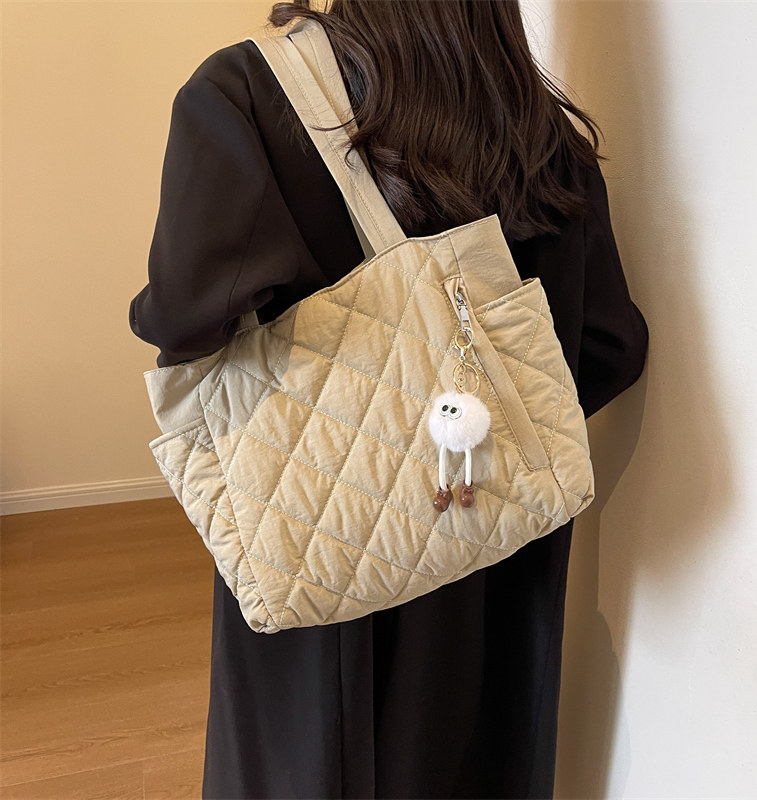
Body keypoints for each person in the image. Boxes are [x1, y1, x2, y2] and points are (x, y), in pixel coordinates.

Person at [129, 1, 648, 797]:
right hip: (492, 553)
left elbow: (184, 318)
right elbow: (609, 348)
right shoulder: (541, 133)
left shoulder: (243, 96)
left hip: (320, 545)